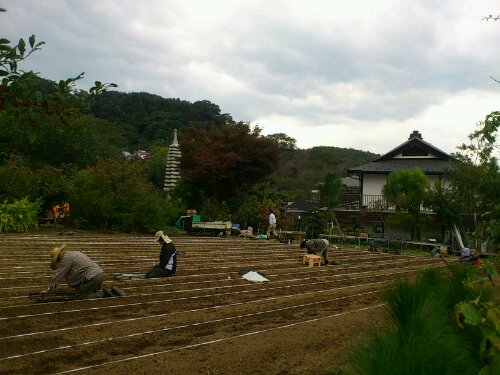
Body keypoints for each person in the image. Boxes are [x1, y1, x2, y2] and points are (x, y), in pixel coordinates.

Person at [43, 244, 125, 299]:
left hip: (93, 277)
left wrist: (48, 289)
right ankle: (110, 292)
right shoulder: (74, 253)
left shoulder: (66, 259)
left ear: (60, 254)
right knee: (90, 291)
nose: (58, 261)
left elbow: (60, 274)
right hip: (99, 274)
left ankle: (103, 293)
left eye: (57, 259)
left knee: (80, 295)